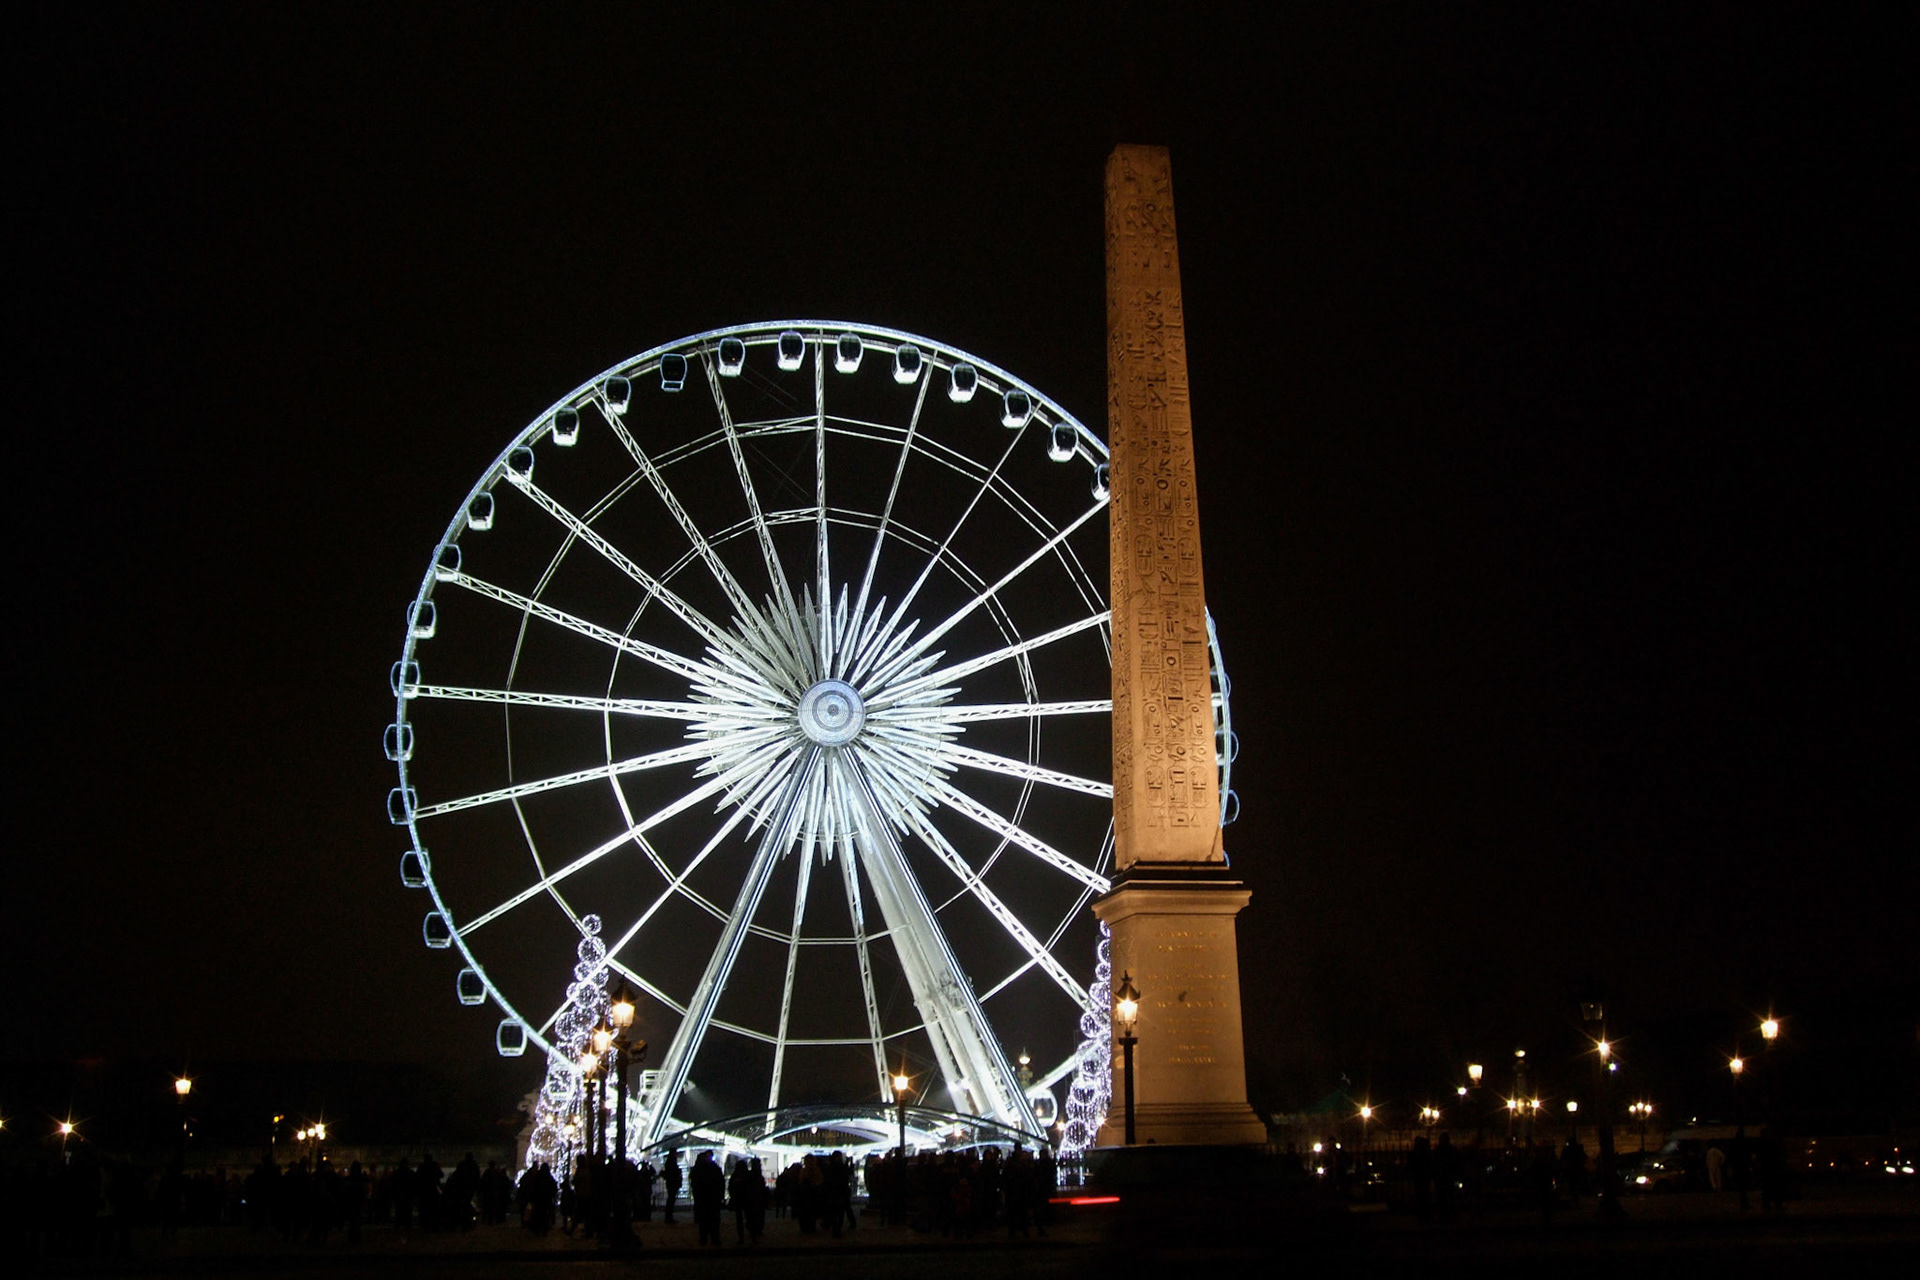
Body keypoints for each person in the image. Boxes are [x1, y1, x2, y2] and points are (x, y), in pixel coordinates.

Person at [689, 1151, 726, 1246]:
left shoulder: (699, 1169)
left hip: (706, 1198)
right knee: (712, 1220)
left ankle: (705, 1239)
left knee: (705, 1220)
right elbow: (721, 1183)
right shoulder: (715, 1169)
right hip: (711, 1198)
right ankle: (713, 1239)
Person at [662, 1151, 682, 1224]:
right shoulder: (672, 1163)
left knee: (671, 1199)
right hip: (672, 1183)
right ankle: (669, 1217)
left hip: (671, 1183)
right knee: (671, 1199)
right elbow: (673, 1173)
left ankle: (669, 1217)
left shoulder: (669, 1163)